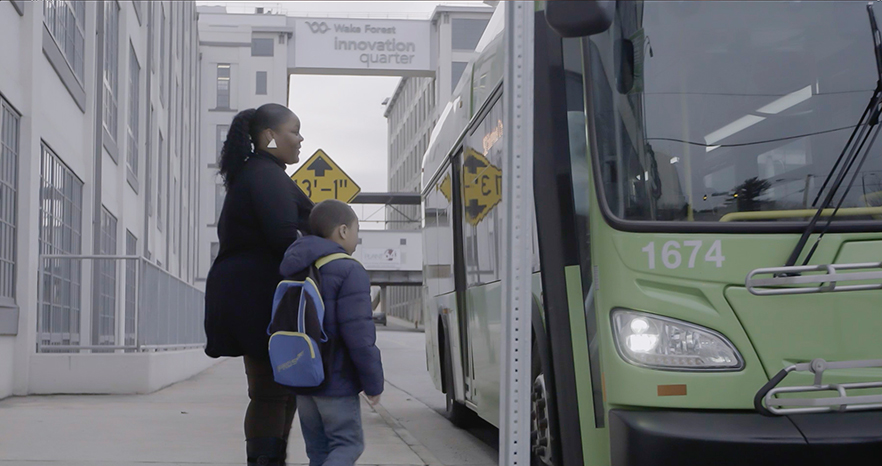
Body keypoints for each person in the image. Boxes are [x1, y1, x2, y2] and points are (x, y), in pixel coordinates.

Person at [203, 103, 313, 466]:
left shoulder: (262, 173)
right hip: (258, 299)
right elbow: (284, 236)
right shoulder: (265, 175)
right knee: (270, 392)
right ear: (270, 136)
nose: (300, 139)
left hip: (254, 295)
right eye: (293, 131)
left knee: (282, 390)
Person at [279, 200, 384, 466]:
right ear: (343, 231)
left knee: (318, 451)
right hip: (336, 382)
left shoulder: (295, 266)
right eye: (356, 231)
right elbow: (360, 336)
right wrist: (373, 383)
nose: (357, 239)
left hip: (302, 378)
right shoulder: (350, 270)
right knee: (348, 445)